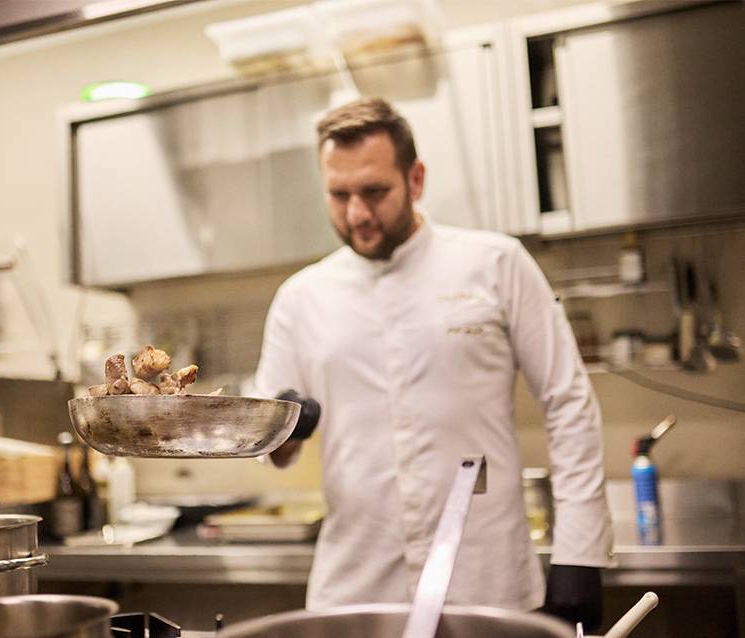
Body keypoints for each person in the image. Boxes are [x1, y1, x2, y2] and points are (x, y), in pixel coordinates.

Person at [253, 97, 613, 630]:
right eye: (339, 195)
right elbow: (269, 448)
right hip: (356, 584)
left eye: (374, 192)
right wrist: (283, 425)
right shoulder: (300, 298)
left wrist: (580, 552)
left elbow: (569, 403)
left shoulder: (496, 263)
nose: (356, 214)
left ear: (415, 180)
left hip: (486, 576)